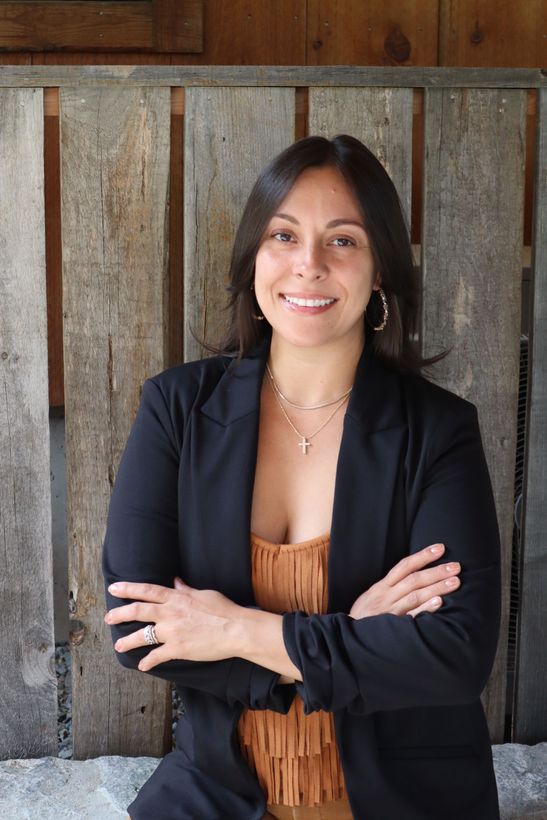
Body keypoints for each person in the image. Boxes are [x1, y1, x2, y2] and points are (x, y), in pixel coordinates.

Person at [102, 134, 502, 820]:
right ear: (255, 257)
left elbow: (455, 653)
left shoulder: (438, 430)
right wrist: (354, 637)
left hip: (408, 799)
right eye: (283, 235)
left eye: (342, 241)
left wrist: (234, 631)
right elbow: (138, 631)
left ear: (378, 269)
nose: (308, 265)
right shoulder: (176, 409)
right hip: (215, 795)